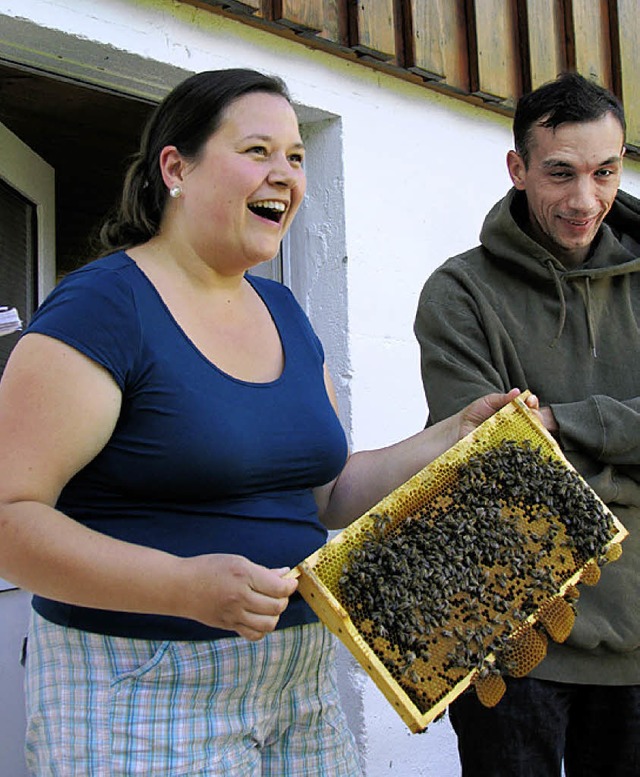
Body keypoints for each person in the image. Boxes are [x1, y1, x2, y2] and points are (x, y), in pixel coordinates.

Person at [0, 68, 530, 776]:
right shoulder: (102, 308)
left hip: (297, 682)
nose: (284, 172)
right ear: (175, 167)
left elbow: (325, 492)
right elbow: (9, 517)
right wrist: (182, 585)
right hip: (142, 681)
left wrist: (453, 435)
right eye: (257, 151)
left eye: (297, 157)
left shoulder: (284, 313)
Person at [414, 71, 640, 777]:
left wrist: (560, 423)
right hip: (507, 644)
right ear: (517, 168)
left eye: (605, 172)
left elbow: (542, 450)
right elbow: (498, 472)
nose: (585, 199)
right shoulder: (459, 293)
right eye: (560, 173)